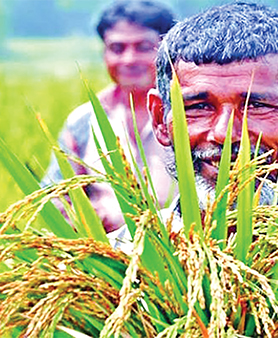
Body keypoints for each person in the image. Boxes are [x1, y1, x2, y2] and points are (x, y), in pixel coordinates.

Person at [146, 2, 278, 229]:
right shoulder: (116, 260)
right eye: (199, 107)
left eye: (256, 105)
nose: (225, 134)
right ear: (161, 119)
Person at [40, 0, 177, 234]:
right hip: (107, 258)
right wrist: (87, 218)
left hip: (185, 254)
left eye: (143, 47)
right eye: (117, 48)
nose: (128, 60)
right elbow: (54, 196)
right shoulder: (84, 120)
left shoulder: (194, 114)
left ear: (166, 49)